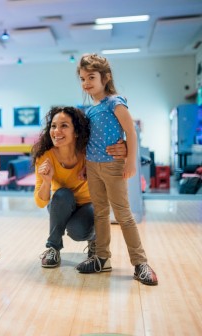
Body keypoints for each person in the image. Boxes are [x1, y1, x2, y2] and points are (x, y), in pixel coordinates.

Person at [74, 53, 158, 286]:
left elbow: (130, 132)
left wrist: (131, 161)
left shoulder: (115, 102)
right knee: (100, 213)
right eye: (82, 79)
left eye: (91, 77)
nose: (86, 83)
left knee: (123, 214)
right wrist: (84, 166)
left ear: (106, 77)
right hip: (93, 167)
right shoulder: (91, 110)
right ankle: (102, 257)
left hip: (112, 166)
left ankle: (140, 263)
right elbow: (88, 141)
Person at [32, 106, 127, 268]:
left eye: (64, 126)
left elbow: (115, 162)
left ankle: (94, 241)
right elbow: (41, 203)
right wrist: (47, 181)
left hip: (90, 205)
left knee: (77, 231)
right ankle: (53, 248)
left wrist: (125, 147)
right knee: (61, 195)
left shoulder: (89, 152)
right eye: (53, 126)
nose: (56, 131)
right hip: (62, 205)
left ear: (76, 132)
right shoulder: (45, 157)